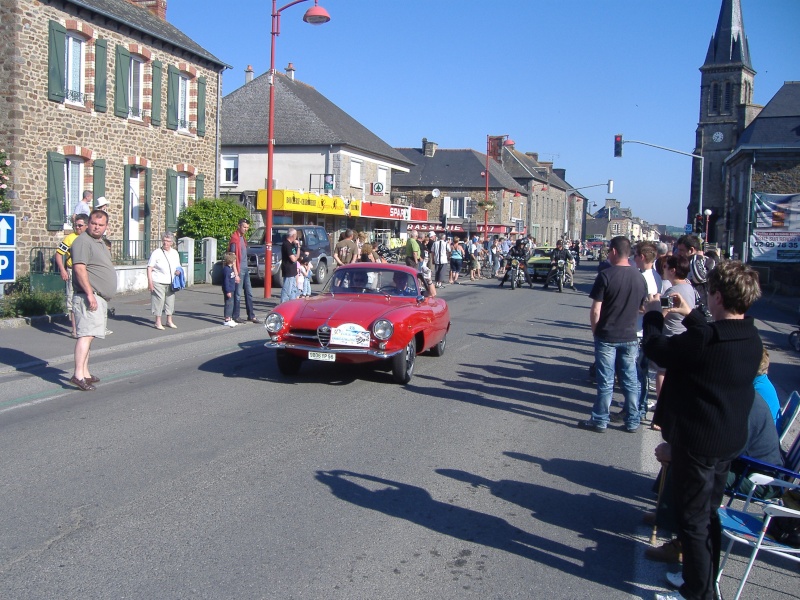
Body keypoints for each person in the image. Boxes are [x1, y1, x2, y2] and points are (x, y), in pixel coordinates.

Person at [643, 261, 762, 600]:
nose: (707, 298)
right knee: (708, 514)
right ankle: (702, 582)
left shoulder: (705, 338)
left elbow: (657, 349)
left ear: (719, 297)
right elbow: (716, 336)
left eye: (709, 293)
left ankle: (698, 593)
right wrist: (692, 313)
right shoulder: (751, 334)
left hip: (699, 439)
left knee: (693, 520)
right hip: (727, 438)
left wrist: (654, 314)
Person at [579, 236, 647, 433]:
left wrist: (595, 331)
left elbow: (595, 310)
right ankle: (633, 420)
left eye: (609, 250)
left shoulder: (606, 275)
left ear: (615, 251)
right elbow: (642, 307)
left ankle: (600, 419)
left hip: (607, 335)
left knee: (606, 381)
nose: (608, 254)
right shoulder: (639, 277)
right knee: (630, 380)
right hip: (630, 335)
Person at [69, 209, 116, 391]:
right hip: (88, 296)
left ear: (106, 226)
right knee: (85, 335)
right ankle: (78, 374)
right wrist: (89, 294)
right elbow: (80, 269)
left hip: (98, 296)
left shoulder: (98, 242)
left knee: (90, 336)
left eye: (100, 225)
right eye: (94, 224)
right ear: (88, 223)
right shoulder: (83, 242)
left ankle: (85, 372)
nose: (97, 227)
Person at [55, 213, 89, 338]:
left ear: (86, 226)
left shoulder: (90, 238)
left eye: (80, 225)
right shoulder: (70, 238)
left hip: (87, 271)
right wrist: (62, 270)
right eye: (75, 225)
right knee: (72, 300)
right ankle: (75, 330)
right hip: (72, 270)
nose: (77, 228)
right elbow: (58, 254)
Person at [146, 231, 181, 330]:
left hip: (171, 282)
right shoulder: (157, 252)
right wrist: (150, 282)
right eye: (164, 240)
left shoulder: (175, 253)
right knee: (159, 301)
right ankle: (158, 322)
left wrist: (178, 271)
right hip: (158, 281)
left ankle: (169, 320)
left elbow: (178, 265)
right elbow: (149, 268)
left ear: (172, 242)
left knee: (170, 301)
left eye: (168, 241)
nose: (166, 243)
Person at [228, 218, 257, 324]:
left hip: (245, 268)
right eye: (244, 227)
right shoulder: (234, 239)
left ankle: (251, 315)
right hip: (239, 269)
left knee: (249, 292)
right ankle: (236, 315)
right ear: (239, 226)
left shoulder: (243, 238)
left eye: (247, 228)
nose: (246, 229)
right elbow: (232, 257)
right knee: (238, 293)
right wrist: (236, 273)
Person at [280, 228, 301, 303]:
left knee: (293, 290)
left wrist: (298, 246)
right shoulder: (286, 244)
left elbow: (297, 256)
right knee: (287, 290)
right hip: (288, 270)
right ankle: (283, 305)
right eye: (295, 235)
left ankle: (292, 305)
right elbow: (293, 259)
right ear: (293, 235)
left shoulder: (292, 245)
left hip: (293, 270)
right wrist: (295, 258)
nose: (296, 237)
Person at [221, 252, 238, 327]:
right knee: (228, 304)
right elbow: (226, 281)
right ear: (231, 261)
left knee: (231, 304)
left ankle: (230, 318)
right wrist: (227, 291)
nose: (235, 261)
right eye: (234, 260)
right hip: (229, 289)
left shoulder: (230, 269)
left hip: (232, 288)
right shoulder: (226, 270)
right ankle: (227, 319)